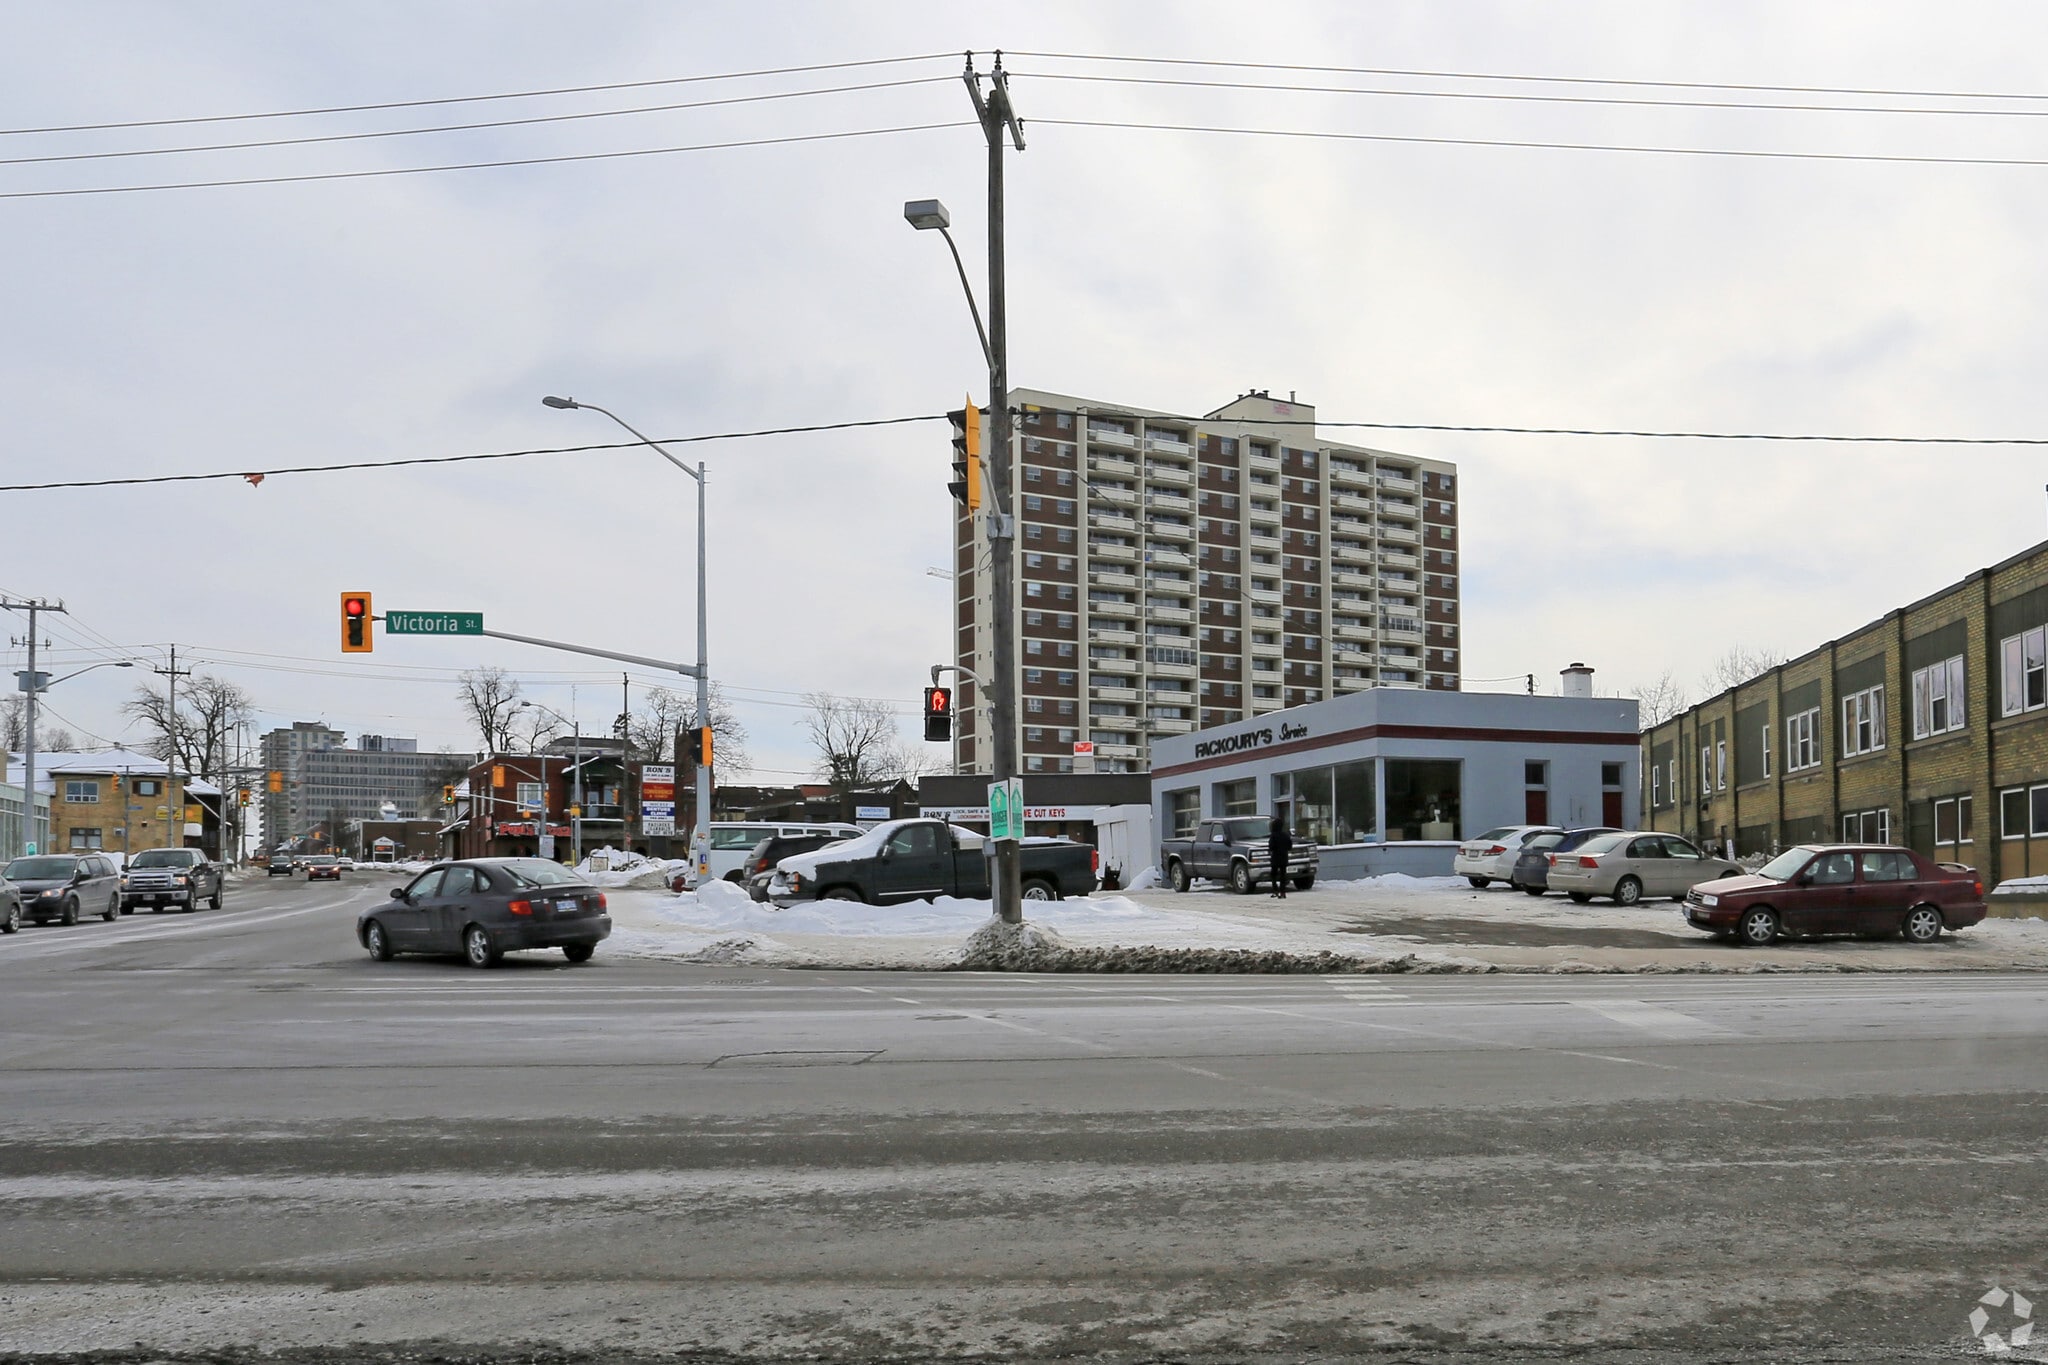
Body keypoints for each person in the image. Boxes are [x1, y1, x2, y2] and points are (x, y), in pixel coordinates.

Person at [1267, 811, 1294, 899]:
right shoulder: (1286, 835)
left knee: (1273, 874)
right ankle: (1283, 892)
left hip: (1275, 857)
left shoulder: (1273, 835)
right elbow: (1290, 846)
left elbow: (1271, 847)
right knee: (1283, 875)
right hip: (1284, 857)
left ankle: (1275, 890)